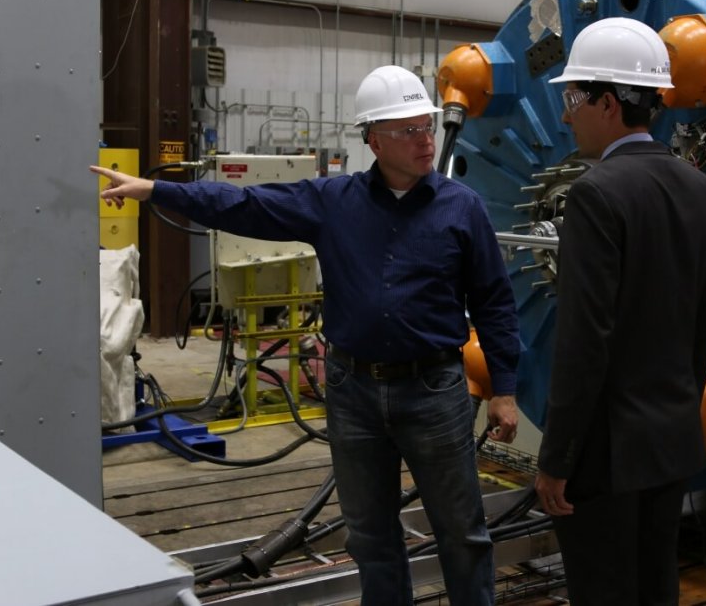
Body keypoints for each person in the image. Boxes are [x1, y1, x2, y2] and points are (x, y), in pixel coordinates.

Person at [92, 65, 520, 606]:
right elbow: (242, 204)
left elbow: (495, 303)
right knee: (370, 535)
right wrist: (155, 190)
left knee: (462, 532)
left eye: (427, 127)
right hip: (354, 394)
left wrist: (504, 387)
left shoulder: (463, 209)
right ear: (373, 139)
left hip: (433, 391)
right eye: (408, 130)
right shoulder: (332, 202)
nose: (425, 140)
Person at [534, 18, 706, 605]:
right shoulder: (702, 191)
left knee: (604, 591)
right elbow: (701, 326)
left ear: (609, 103)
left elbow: (584, 340)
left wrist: (557, 457)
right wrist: (676, 414)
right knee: (654, 585)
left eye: (573, 98)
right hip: (670, 442)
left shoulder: (596, 194)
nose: (567, 115)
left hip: (607, 454)